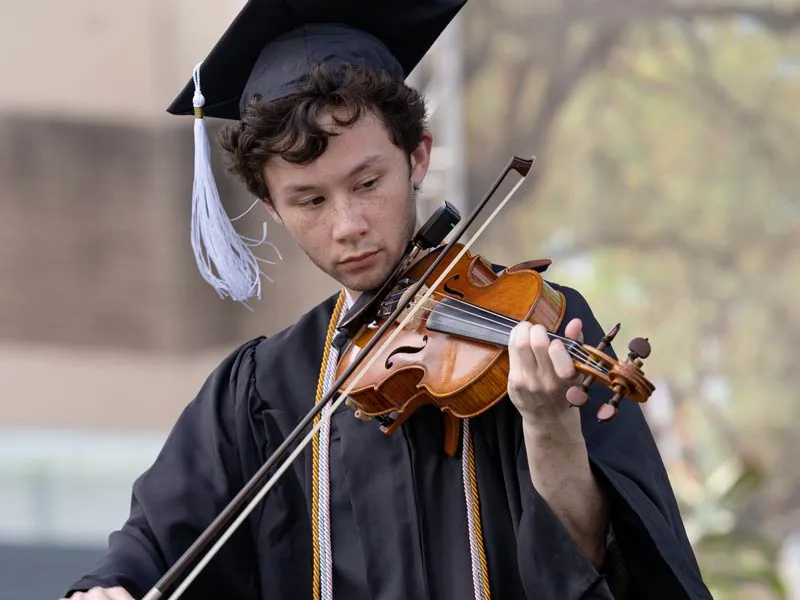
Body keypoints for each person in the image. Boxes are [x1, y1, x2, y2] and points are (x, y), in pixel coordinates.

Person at [62, 0, 713, 598]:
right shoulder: (260, 391)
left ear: (418, 157)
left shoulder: (532, 322)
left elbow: (606, 560)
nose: (348, 224)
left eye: (367, 181)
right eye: (310, 200)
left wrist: (548, 425)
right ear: (273, 208)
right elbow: (145, 553)